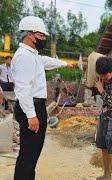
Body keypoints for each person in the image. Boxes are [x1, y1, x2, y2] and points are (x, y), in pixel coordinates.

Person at [12, 16, 74, 180]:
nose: (44, 39)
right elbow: (23, 88)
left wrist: (66, 64)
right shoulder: (24, 56)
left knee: (32, 154)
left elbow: (45, 61)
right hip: (30, 107)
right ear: (30, 35)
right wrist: (31, 115)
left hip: (35, 106)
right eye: (42, 36)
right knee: (28, 155)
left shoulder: (33, 55)